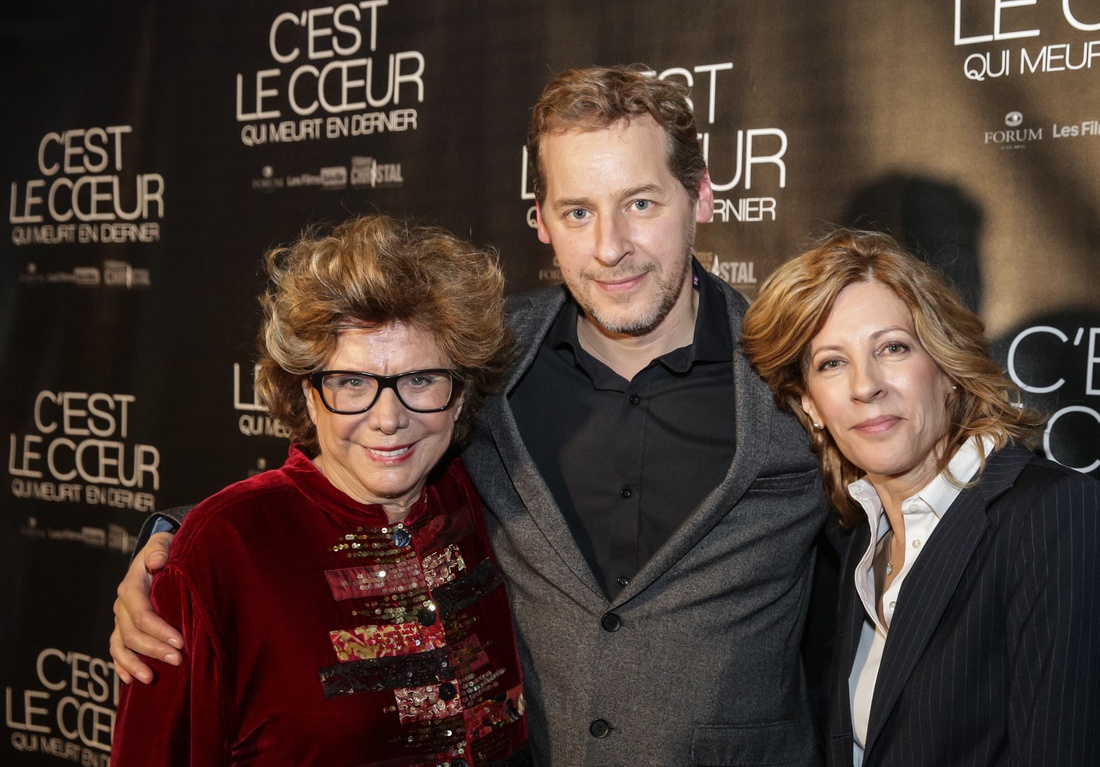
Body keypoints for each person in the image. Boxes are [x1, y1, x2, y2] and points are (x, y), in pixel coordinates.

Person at [111, 67, 830, 765]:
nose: (611, 246)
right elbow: (341, 470)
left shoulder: (798, 369)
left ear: (702, 198)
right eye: (578, 211)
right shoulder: (486, 358)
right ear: (541, 221)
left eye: (641, 204)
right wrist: (174, 547)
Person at [110, 215, 530, 766]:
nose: (388, 418)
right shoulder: (218, 555)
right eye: (352, 383)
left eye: (420, 379)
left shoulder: (482, 499)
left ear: (459, 394)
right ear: (308, 394)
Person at [741, 228, 1100, 766]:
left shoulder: (1051, 515)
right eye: (831, 362)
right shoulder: (860, 536)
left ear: (947, 368)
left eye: (893, 348)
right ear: (809, 404)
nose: (866, 385)